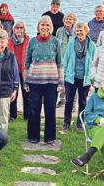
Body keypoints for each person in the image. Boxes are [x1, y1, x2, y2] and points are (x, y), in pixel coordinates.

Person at [25, 16, 63, 144]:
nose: (44, 27)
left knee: (50, 110)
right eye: (42, 25)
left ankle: (50, 137)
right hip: (34, 82)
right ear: (38, 27)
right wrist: (25, 81)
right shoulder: (32, 42)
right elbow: (27, 63)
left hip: (51, 83)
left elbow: (60, 64)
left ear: (51, 27)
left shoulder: (55, 42)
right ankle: (33, 136)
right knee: (34, 109)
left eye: (47, 25)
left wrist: (61, 83)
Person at [61, 22, 96, 131]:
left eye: (81, 30)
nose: (79, 32)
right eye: (77, 31)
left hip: (84, 78)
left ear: (86, 31)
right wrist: (64, 74)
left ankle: (80, 123)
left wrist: (92, 77)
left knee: (83, 101)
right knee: (69, 101)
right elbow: (65, 59)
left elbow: (94, 62)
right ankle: (66, 123)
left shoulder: (92, 45)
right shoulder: (71, 43)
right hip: (71, 77)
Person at [8, 21, 29, 121]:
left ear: (24, 30)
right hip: (13, 71)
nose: (19, 30)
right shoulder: (9, 41)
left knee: (27, 94)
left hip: (25, 71)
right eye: (17, 28)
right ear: (14, 29)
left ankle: (27, 115)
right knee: (13, 94)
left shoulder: (28, 40)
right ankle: (12, 115)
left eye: (21, 28)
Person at [55, 13, 77, 109]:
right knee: (61, 81)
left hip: (73, 60)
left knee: (72, 82)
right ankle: (62, 99)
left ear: (73, 21)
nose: (68, 21)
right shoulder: (59, 31)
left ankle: (72, 104)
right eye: (66, 19)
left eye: (70, 19)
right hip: (61, 59)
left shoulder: (76, 31)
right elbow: (56, 44)